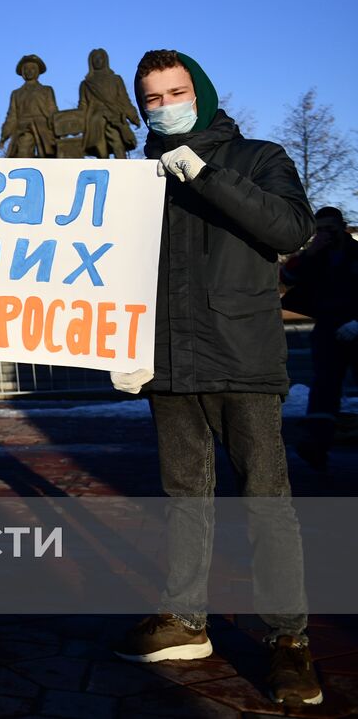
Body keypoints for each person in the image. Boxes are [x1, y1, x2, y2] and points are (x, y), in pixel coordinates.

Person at [109, 50, 320, 707]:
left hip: (242, 356)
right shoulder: (139, 177)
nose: (166, 104)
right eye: (153, 98)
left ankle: (288, 639)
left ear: (198, 91)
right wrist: (120, 343)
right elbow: (115, 267)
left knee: (265, 499)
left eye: (176, 91)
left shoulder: (258, 157)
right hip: (169, 362)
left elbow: (292, 227)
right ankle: (185, 617)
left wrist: (206, 175)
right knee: (184, 495)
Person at [281, 206, 358, 472]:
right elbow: (287, 277)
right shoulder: (317, 256)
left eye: (330, 229)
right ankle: (317, 443)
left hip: (355, 326)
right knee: (325, 386)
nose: (325, 234)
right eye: (320, 230)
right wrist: (310, 252)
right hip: (328, 327)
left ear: (342, 227)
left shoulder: (355, 253)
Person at [78, 47, 140, 159]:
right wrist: (77, 121)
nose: (97, 61)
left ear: (105, 60)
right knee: (101, 152)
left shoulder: (116, 79)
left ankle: (124, 172)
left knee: (118, 146)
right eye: (94, 59)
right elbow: (83, 105)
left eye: (100, 58)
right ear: (91, 62)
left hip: (114, 118)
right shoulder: (86, 84)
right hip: (95, 122)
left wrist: (133, 116)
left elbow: (124, 100)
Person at [0, 54, 59, 158]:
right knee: (22, 153)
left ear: (38, 71)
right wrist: (4, 136)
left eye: (32, 68)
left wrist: (57, 127)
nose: (29, 71)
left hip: (43, 128)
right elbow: (12, 116)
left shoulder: (47, 90)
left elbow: (52, 110)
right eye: (26, 69)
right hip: (23, 129)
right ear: (22, 72)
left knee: (49, 155)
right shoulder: (16, 94)